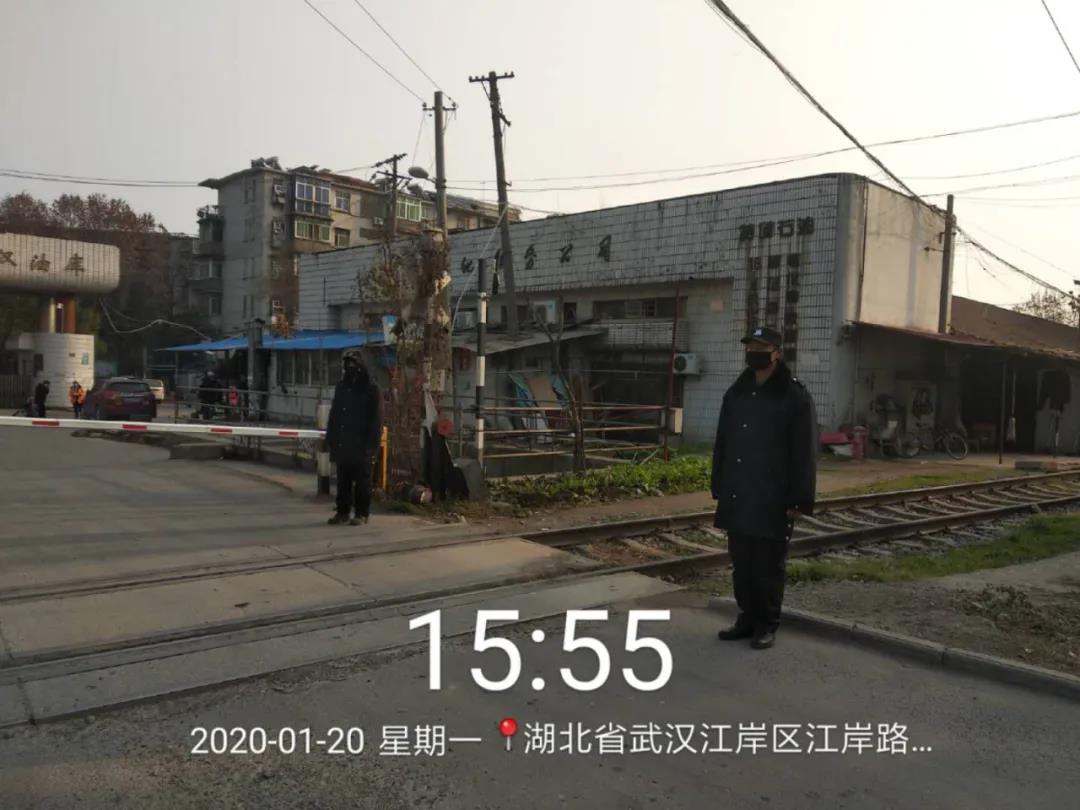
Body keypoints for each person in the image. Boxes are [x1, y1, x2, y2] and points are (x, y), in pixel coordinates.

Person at [712, 326, 818, 650]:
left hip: (773, 495)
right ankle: (746, 618)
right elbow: (723, 442)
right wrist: (719, 483)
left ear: (777, 354)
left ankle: (767, 624)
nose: (754, 353)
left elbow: (804, 452)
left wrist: (799, 499)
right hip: (739, 492)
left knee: (768, 566)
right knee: (742, 563)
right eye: (751, 347)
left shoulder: (794, 396)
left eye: (762, 348)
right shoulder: (737, 392)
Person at [325, 351, 381, 526]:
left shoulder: (371, 388)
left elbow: (376, 420)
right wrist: (331, 437)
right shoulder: (342, 387)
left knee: (362, 482)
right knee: (343, 480)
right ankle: (342, 512)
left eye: (353, 364)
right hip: (343, 441)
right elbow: (334, 414)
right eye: (347, 364)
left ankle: (362, 513)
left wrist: (371, 446)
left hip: (362, 443)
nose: (349, 368)